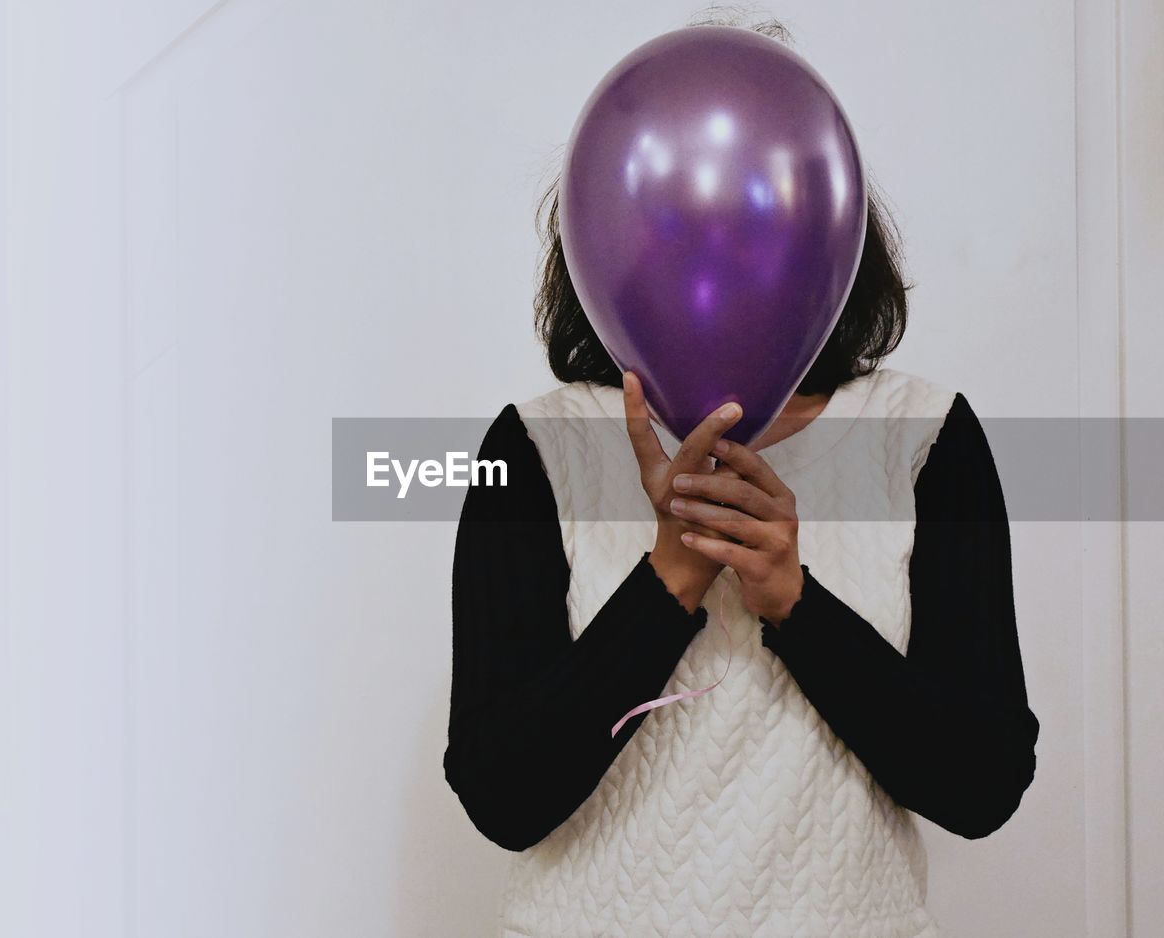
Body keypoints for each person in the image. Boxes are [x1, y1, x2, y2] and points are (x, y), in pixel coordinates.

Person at [442, 17, 1040, 938]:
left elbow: (982, 784)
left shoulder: (922, 438)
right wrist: (669, 581)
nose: (716, 246)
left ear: (823, 220)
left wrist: (794, 599)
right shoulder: (534, 448)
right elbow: (501, 796)